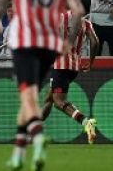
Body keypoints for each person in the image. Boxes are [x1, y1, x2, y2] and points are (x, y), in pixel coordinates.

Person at [0, 0, 85, 170]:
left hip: (25, 42)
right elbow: (79, 11)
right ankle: (19, 154)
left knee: (28, 95)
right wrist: (70, 41)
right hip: (49, 44)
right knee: (29, 97)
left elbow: (0, 4)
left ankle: (39, 137)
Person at [41, 12, 99, 143]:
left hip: (61, 66)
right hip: (74, 68)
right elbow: (95, 42)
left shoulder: (58, 18)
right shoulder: (85, 22)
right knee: (49, 99)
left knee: (58, 101)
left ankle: (86, 122)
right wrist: (91, 61)